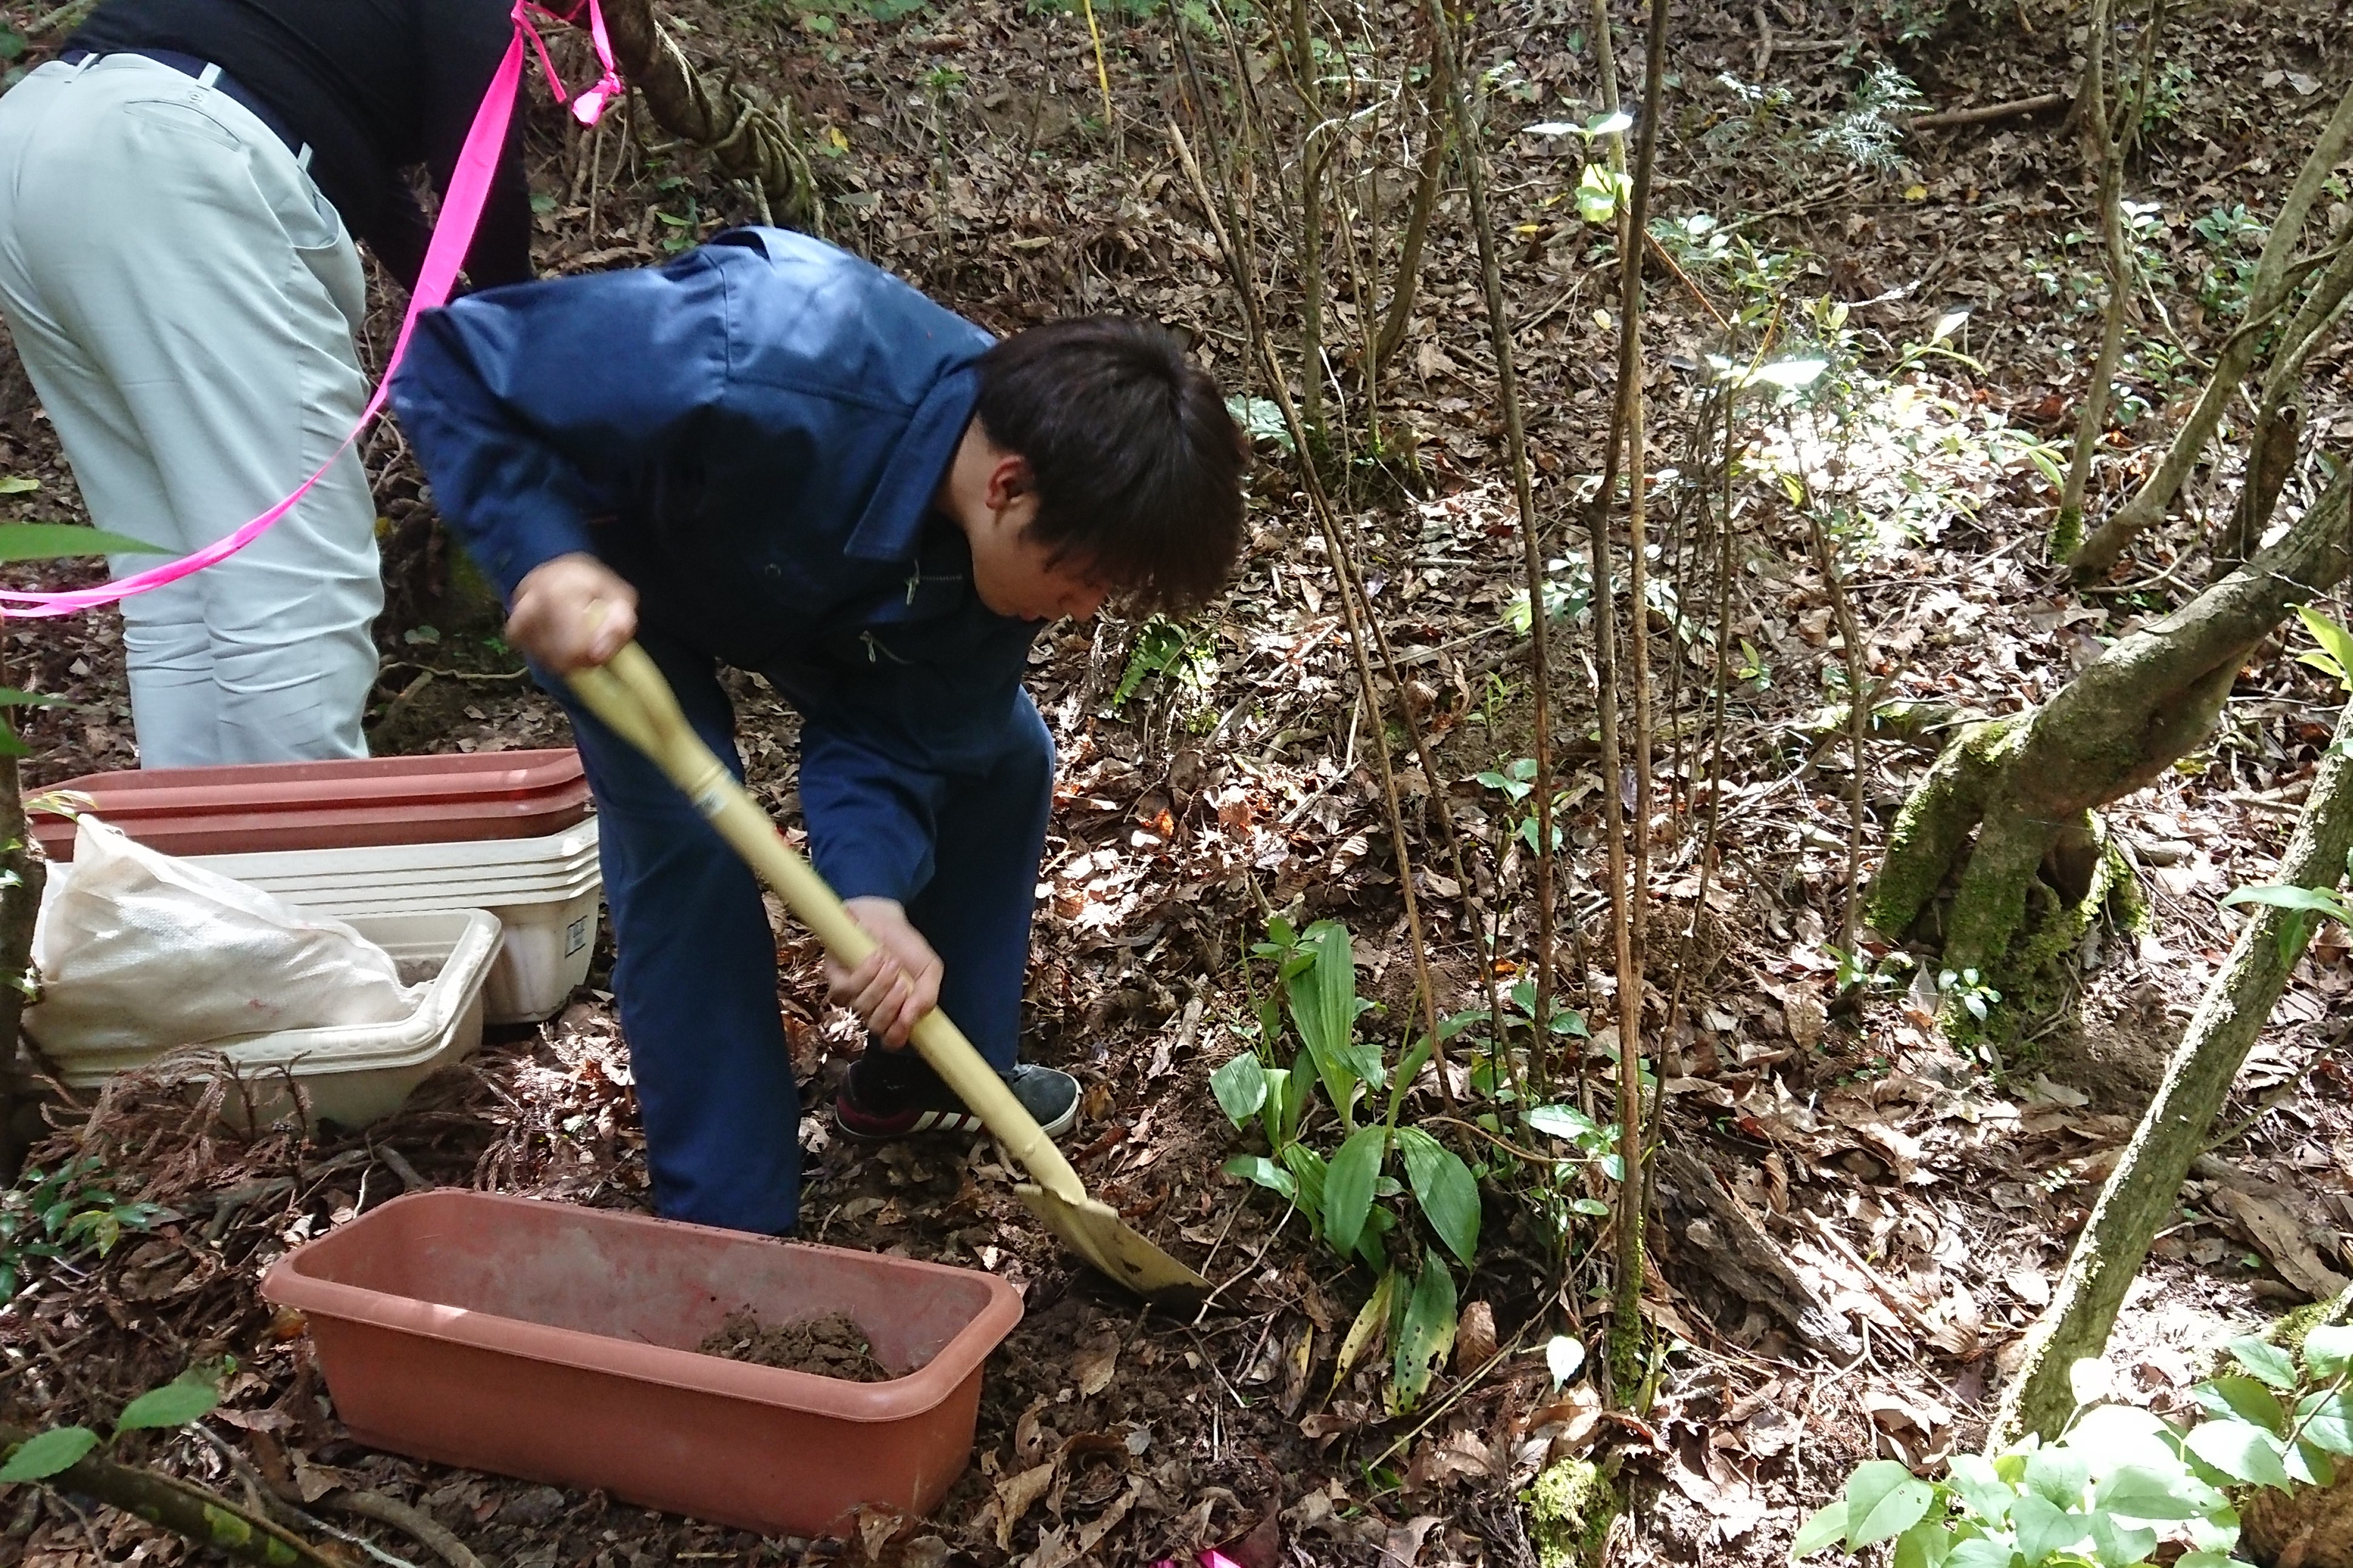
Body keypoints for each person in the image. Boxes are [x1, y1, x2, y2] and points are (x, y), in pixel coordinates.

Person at [390, 226, 1247, 1236]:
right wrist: (539, 552)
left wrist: (871, 902)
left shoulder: (1015, 545)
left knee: (1004, 758)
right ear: (1007, 487)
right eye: (1082, 580)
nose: (1082, 611)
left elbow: (902, 738)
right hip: (607, 586)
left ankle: (926, 1076)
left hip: (802, 590)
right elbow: (451, 361)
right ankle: (730, 1221)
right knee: (689, 836)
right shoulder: (763, 351)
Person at [0, 0, 533, 766]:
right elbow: (481, 176)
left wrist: (462, 321)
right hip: (174, 154)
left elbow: (373, 182)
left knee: (177, 581)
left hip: (39, 137)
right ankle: (304, 845)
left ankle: (194, 844)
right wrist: (527, 349)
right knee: (295, 581)